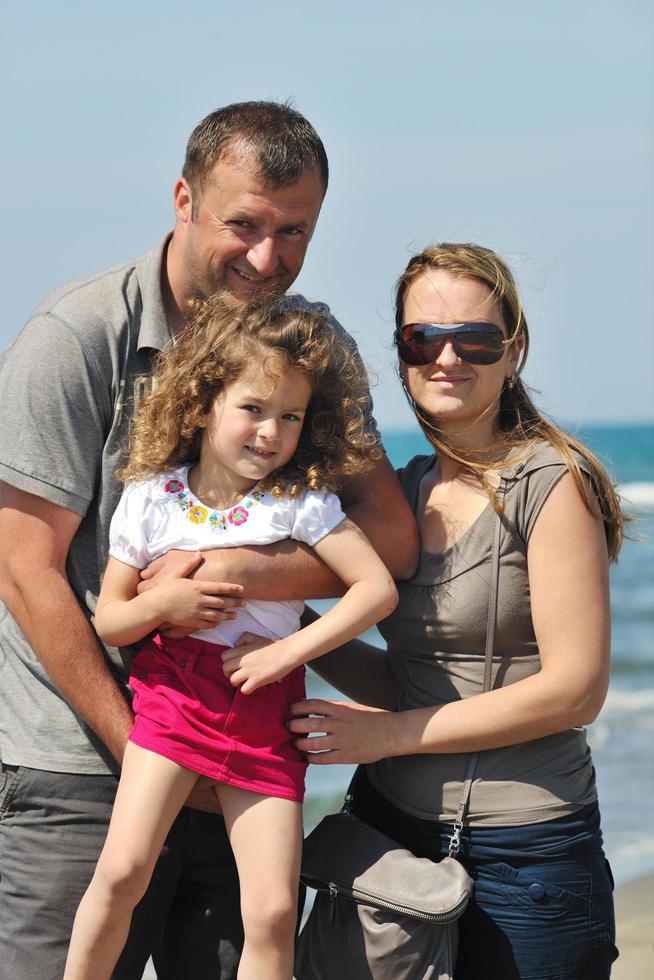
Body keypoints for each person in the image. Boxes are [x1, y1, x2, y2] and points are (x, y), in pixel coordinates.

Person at [0, 101, 418, 980]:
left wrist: (239, 573)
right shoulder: (76, 337)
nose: (268, 258)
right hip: (83, 759)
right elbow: (23, 567)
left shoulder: (313, 349)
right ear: (184, 199)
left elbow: (389, 538)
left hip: (245, 752)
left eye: (294, 231)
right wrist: (147, 747)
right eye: (245, 224)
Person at [290, 242, 622, 979]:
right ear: (403, 353)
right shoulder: (400, 495)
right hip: (390, 840)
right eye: (423, 339)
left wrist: (390, 737)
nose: (448, 358)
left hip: (527, 856)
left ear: (514, 352)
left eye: (475, 339)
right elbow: (416, 681)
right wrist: (290, 633)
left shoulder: (552, 483)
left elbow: (577, 690)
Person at [63, 295, 397, 980]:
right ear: (205, 402)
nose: (271, 432)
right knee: (123, 872)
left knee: (273, 911)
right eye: (253, 408)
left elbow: (376, 589)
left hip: (265, 713)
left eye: (291, 417)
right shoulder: (152, 496)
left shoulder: (300, 500)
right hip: (172, 700)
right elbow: (112, 621)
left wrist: (287, 651)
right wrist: (169, 601)